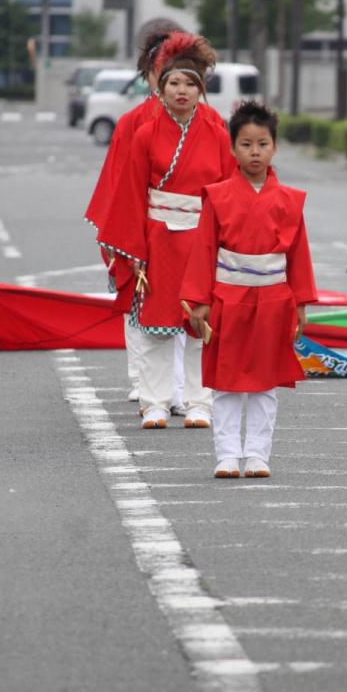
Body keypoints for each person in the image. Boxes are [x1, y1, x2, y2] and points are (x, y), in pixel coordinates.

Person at [95, 32, 234, 430]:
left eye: (191, 84)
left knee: (198, 325)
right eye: (174, 82)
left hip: (201, 239)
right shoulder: (144, 132)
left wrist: (225, 243)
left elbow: (226, 193)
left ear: (201, 88)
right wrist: (134, 249)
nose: (182, 91)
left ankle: (199, 402)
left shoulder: (217, 131)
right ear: (161, 84)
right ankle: (154, 402)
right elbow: (130, 195)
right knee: (155, 328)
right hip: (157, 240)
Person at [182, 100, 317, 479]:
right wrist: (199, 301)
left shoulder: (290, 200)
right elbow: (204, 249)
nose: (254, 152)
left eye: (262, 144)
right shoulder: (218, 196)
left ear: (274, 147)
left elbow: (299, 255)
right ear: (232, 149)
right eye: (246, 144)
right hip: (227, 297)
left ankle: (258, 454)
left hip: (274, 299)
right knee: (225, 382)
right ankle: (226, 454)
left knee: (264, 382)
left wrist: (301, 304)